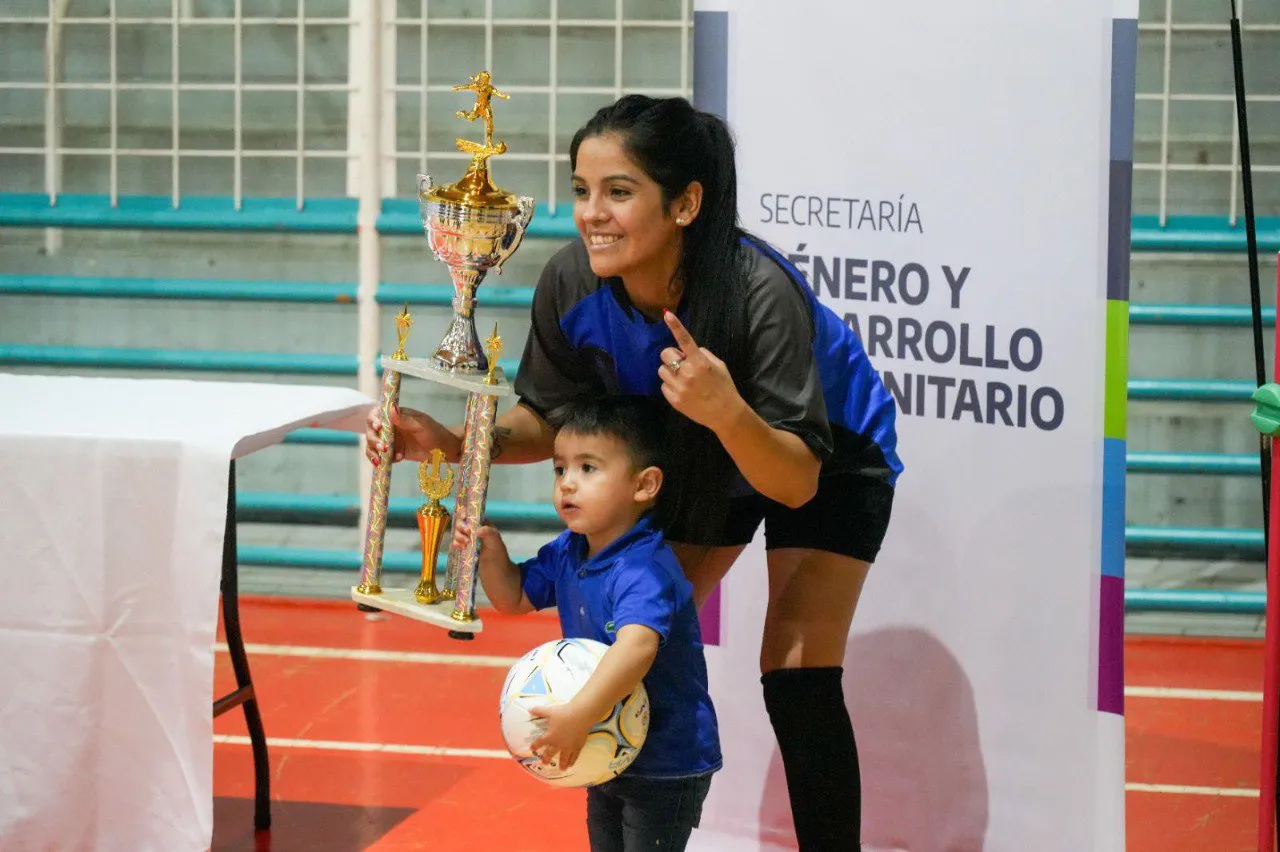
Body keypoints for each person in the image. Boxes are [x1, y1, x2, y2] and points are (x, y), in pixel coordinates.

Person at [366, 94, 902, 850]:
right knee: (638, 642)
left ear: (685, 204)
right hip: (695, 443)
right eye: (582, 191)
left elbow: (795, 483)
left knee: (796, 673)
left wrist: (725, 412)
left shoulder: (758, 294)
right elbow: (549, 420)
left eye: (619, 192)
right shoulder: (572, 284)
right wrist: (451, 442)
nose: (592, 213)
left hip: (829, 454)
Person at [452, 395, 721, 851]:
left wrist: (578, 715)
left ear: (645, 485)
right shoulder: (571, 549)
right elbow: (514, 596)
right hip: (605, 750)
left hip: (665, 760)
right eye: (560, 469)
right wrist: (489, 552)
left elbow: (636, 648)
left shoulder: (643, 568)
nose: (567, 485)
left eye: (588, 469)